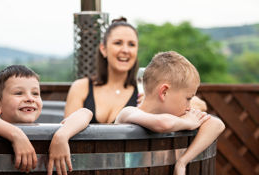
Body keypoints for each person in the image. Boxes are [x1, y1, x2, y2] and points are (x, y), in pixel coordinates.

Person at [115, 51, 225, 175]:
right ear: (164, 92)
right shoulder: (128, 113)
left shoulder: (176, 116)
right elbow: (163, 124)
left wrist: (183, 161)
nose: (189, 107)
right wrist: (188, 123)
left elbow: (217, 125)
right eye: (188, 98)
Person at [0, 65, 93, 175]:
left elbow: (86, 113)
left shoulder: (53, 131)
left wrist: (62, 136)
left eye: (35, 93)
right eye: (18, 93)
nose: (29, 99)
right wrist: (16, 135)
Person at [65, 17, 207, 123]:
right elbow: (67, 130)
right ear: (103, 49)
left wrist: (152, 100)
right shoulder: (81, 87)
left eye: (131, 44)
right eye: (118, 43)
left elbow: (200, 105)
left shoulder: (144, 89)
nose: (125, 50)